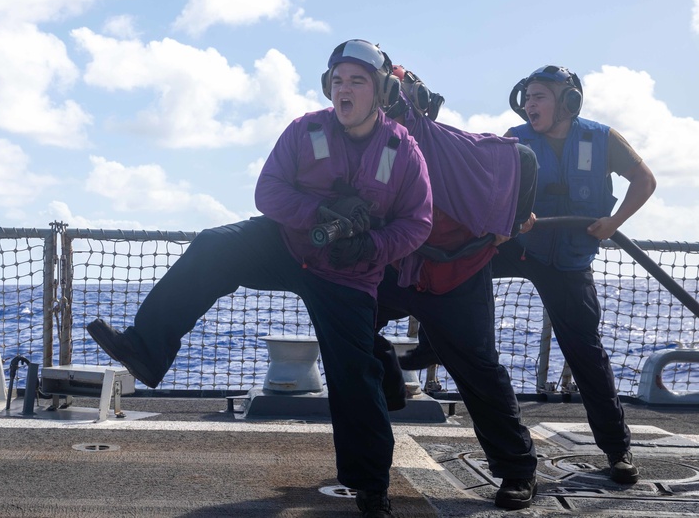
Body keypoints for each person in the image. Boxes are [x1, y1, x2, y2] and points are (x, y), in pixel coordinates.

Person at [88, 39, 433, 518]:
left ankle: (371, 487)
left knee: (354, 377)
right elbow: (267, 191)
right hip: (290, 246)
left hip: (350, 272)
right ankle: (146, 347)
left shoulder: (404, 150)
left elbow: (418, 223)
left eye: (357, 81)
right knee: (214, 246)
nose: (344, 90)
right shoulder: (305, 130)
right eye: (337, 81)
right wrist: (319, 211)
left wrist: (371, 246)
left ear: (381, 91)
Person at [372, 65, 540, 509]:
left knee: (479, 369)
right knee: (345, 323)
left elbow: (522, 157)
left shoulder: (456, 148)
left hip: (458, 272)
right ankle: (389, 381)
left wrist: (512, 221)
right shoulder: (371, 153)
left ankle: (518, 470)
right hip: (397, 265)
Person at [492, 65, 657, 485]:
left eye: (540, 96)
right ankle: (427, 351)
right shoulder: (513, 139)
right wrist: (512, 216)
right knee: (455, 280)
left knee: (586, 353)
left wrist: (614, 221)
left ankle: (618, 451)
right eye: (527, 96)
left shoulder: (602, 138)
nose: (530, 103)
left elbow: (645, 179)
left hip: (569, 264)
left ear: (568, 102)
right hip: (521, 250)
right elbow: (490, 190)